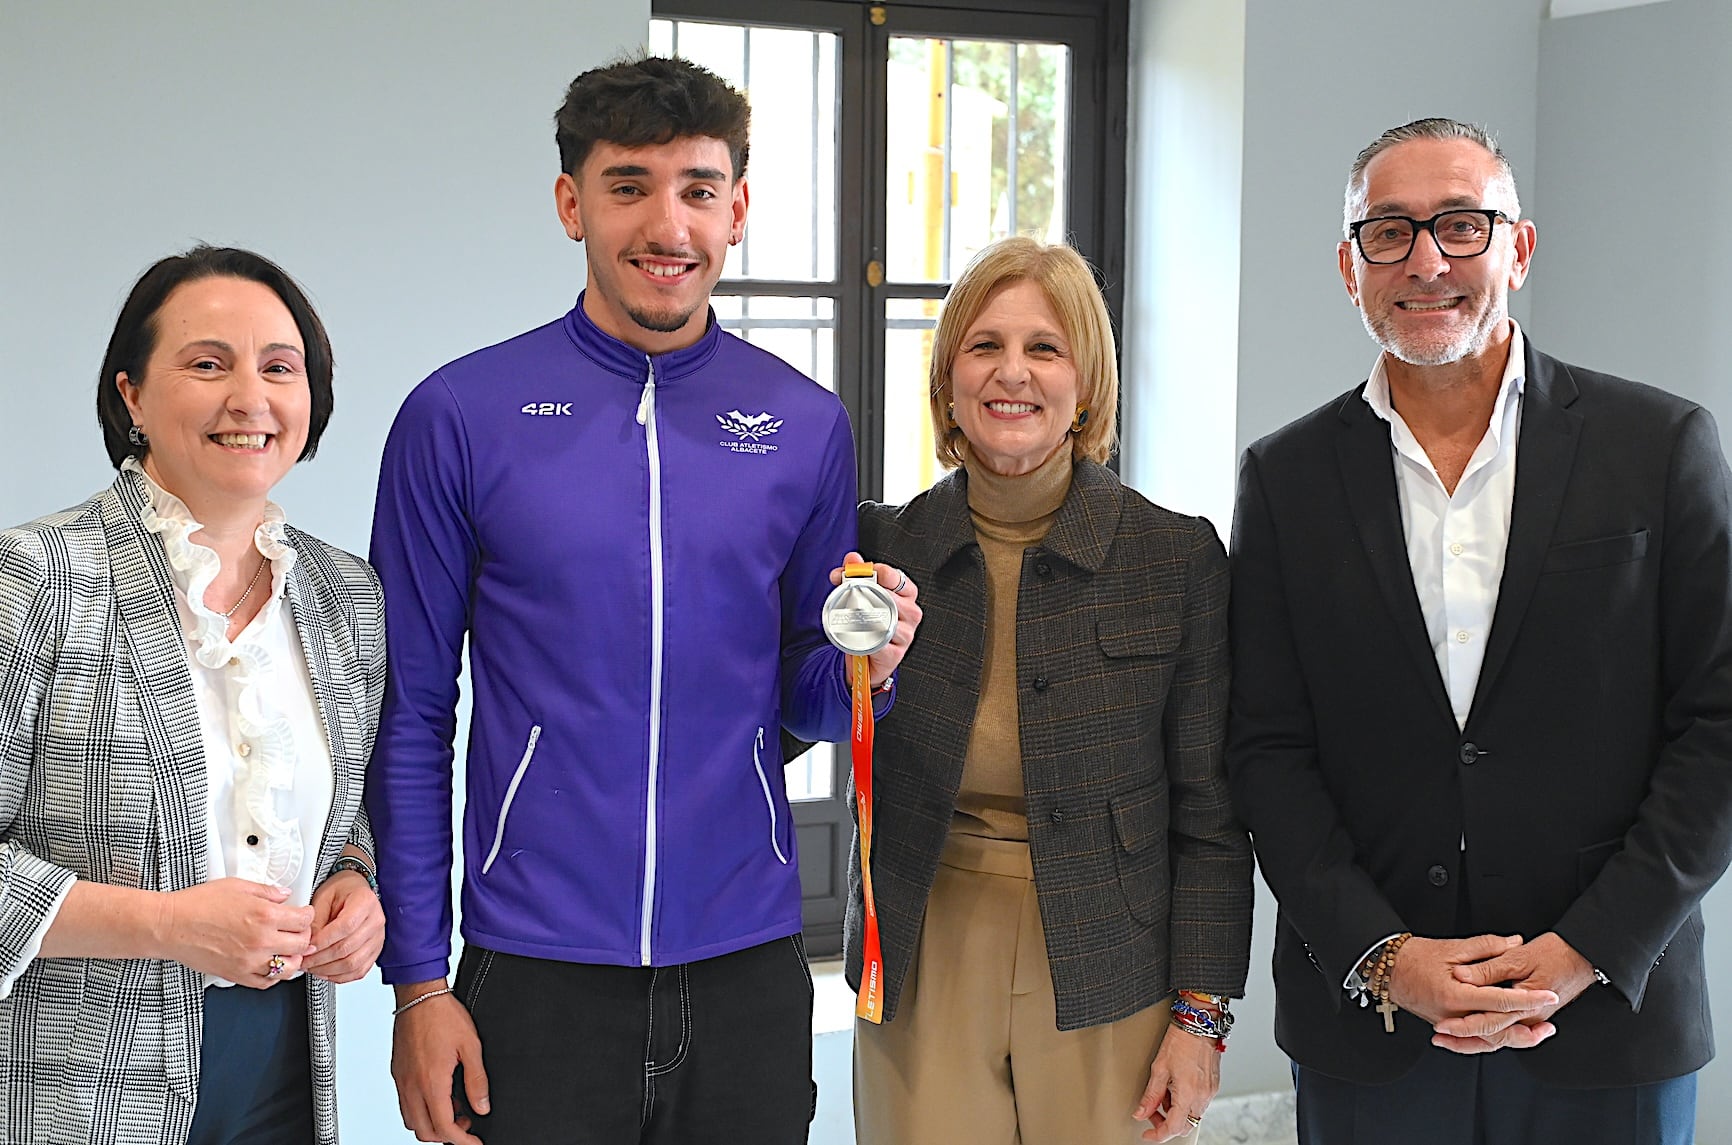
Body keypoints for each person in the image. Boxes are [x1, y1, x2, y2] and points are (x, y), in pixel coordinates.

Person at [368, 55, 918, 1145]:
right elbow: (410, 712)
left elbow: (804, 692)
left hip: (749, 963)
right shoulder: (458, 415)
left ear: (737, 210)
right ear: (571, 202)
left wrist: (869, 669)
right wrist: (418, 982)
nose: (668, 225)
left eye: (698, 189)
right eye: (629, 186)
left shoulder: (804, 422)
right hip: (535, 963)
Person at [1227, 117, 1732, 1145]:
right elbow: (1265, 746)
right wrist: (1383, 957)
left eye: (1462, 225)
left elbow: (1719, 723)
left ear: (1519, 248)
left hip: (1608, 1015)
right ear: (1349, 266)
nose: (1426, 261)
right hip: (1371, 1023)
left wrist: (1586, 947)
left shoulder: (1660, 444)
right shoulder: (1284, 477)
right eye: (1388, 231)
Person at [848, 235, 1253, 1144]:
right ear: (949, 378)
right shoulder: (881, 550)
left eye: (1045, 347)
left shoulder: (1175, 557)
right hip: (922, 944)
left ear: (1087, 382)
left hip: (1114, 954)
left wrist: (1200, 1016)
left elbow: (1212, 811)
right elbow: (799, 717)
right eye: (984, 345)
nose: (1012, 372)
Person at [0, 245, 387, 1145]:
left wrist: (354, 880)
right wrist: (167, 924)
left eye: (279, 367)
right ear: (131, 395)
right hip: (77, 1085)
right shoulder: (36, 577)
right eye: (208, 363)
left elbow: (343, 812)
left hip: (285, 1068)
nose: (250, 398)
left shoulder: (347, 596)